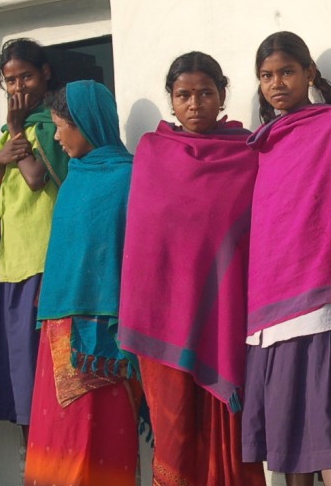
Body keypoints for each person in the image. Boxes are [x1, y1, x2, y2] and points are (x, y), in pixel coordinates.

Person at [119, 52, 266, 486]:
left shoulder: (247, 152)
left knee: (230, 441)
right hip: (163, 318)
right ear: (171, 99)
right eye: (183, 95)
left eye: (205, 93)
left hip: (224, 319)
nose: (195, 103)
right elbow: (145, 244)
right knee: (175, 435)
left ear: (222, 95)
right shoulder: (152, 152)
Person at [241, 32, 331, 486]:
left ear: (309, 73)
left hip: (322, 298)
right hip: (272, 300)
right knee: (287, 436)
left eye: (286, 72)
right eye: (266, 76)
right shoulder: (263, 142)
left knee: (330, 425)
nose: (277, 84)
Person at [24, 81, 142, 486]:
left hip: (109, 339)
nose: (56, 136)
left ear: (88, 123)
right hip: (59, 335)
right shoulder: (73, 179)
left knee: (102, 441)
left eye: (61, 126)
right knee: (57, 442)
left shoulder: (130, 179)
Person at [0, 39, 68, 437]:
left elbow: (37, 178)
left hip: (40, 259)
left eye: (26, 75)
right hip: (5, 260)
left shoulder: (54, 125)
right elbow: (3, 194)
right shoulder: (10, 132)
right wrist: (0, 163)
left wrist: (19, 132)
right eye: (10, 80)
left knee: (40, 374)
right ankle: (33, 468)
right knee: (18, 377)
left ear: (46, 73)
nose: (18, 86)